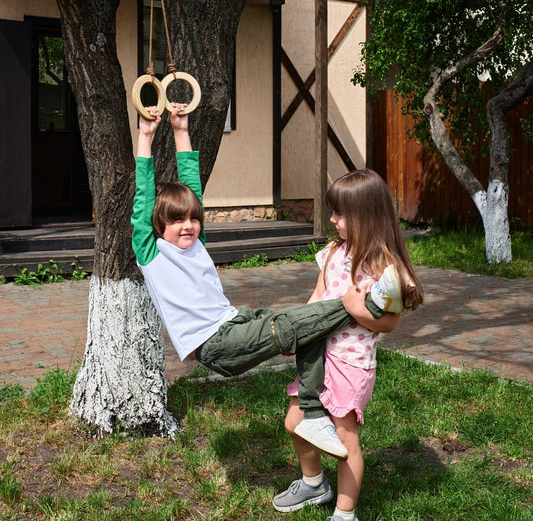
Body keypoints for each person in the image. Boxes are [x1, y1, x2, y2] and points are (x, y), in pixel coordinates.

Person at [131, 104, 369, 459]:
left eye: (193, 219)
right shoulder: (151, 252)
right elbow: (143, 194)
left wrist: (181, 130)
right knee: (294, 324)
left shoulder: (196, 243)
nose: (189, 226)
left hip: (234, 320)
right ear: (156, 226)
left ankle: (311, 410)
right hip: (215, 345)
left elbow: (192, 184)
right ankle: (361, 303)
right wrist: (146, 136)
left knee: (306, 325)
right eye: (177, 221)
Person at [272, 169, 424, 521]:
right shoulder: (331, 253)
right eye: (333, 212)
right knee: (295, 422)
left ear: (368, 216)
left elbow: (389, 322)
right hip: (318, 358)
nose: (333, 220)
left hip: (351, 364)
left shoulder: (385, 268)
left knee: (343, 440)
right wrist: (297, 332)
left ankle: (345, 513)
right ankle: (314, 484)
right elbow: (318, 296)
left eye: (340, 214)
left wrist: (358, 310)